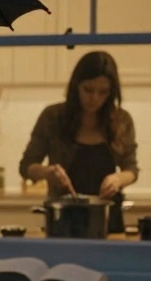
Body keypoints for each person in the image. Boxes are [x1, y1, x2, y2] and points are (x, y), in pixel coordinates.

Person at [18, 50, 139, 233]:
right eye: (88, 90)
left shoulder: (121, 120)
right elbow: (26, 166)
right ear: (76, 86)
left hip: (107, 219)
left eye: (103, 92)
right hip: (63, 218)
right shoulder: (53, 117)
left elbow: (131, 169)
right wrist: (48, 172)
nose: (95, 98)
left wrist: (117, 179)